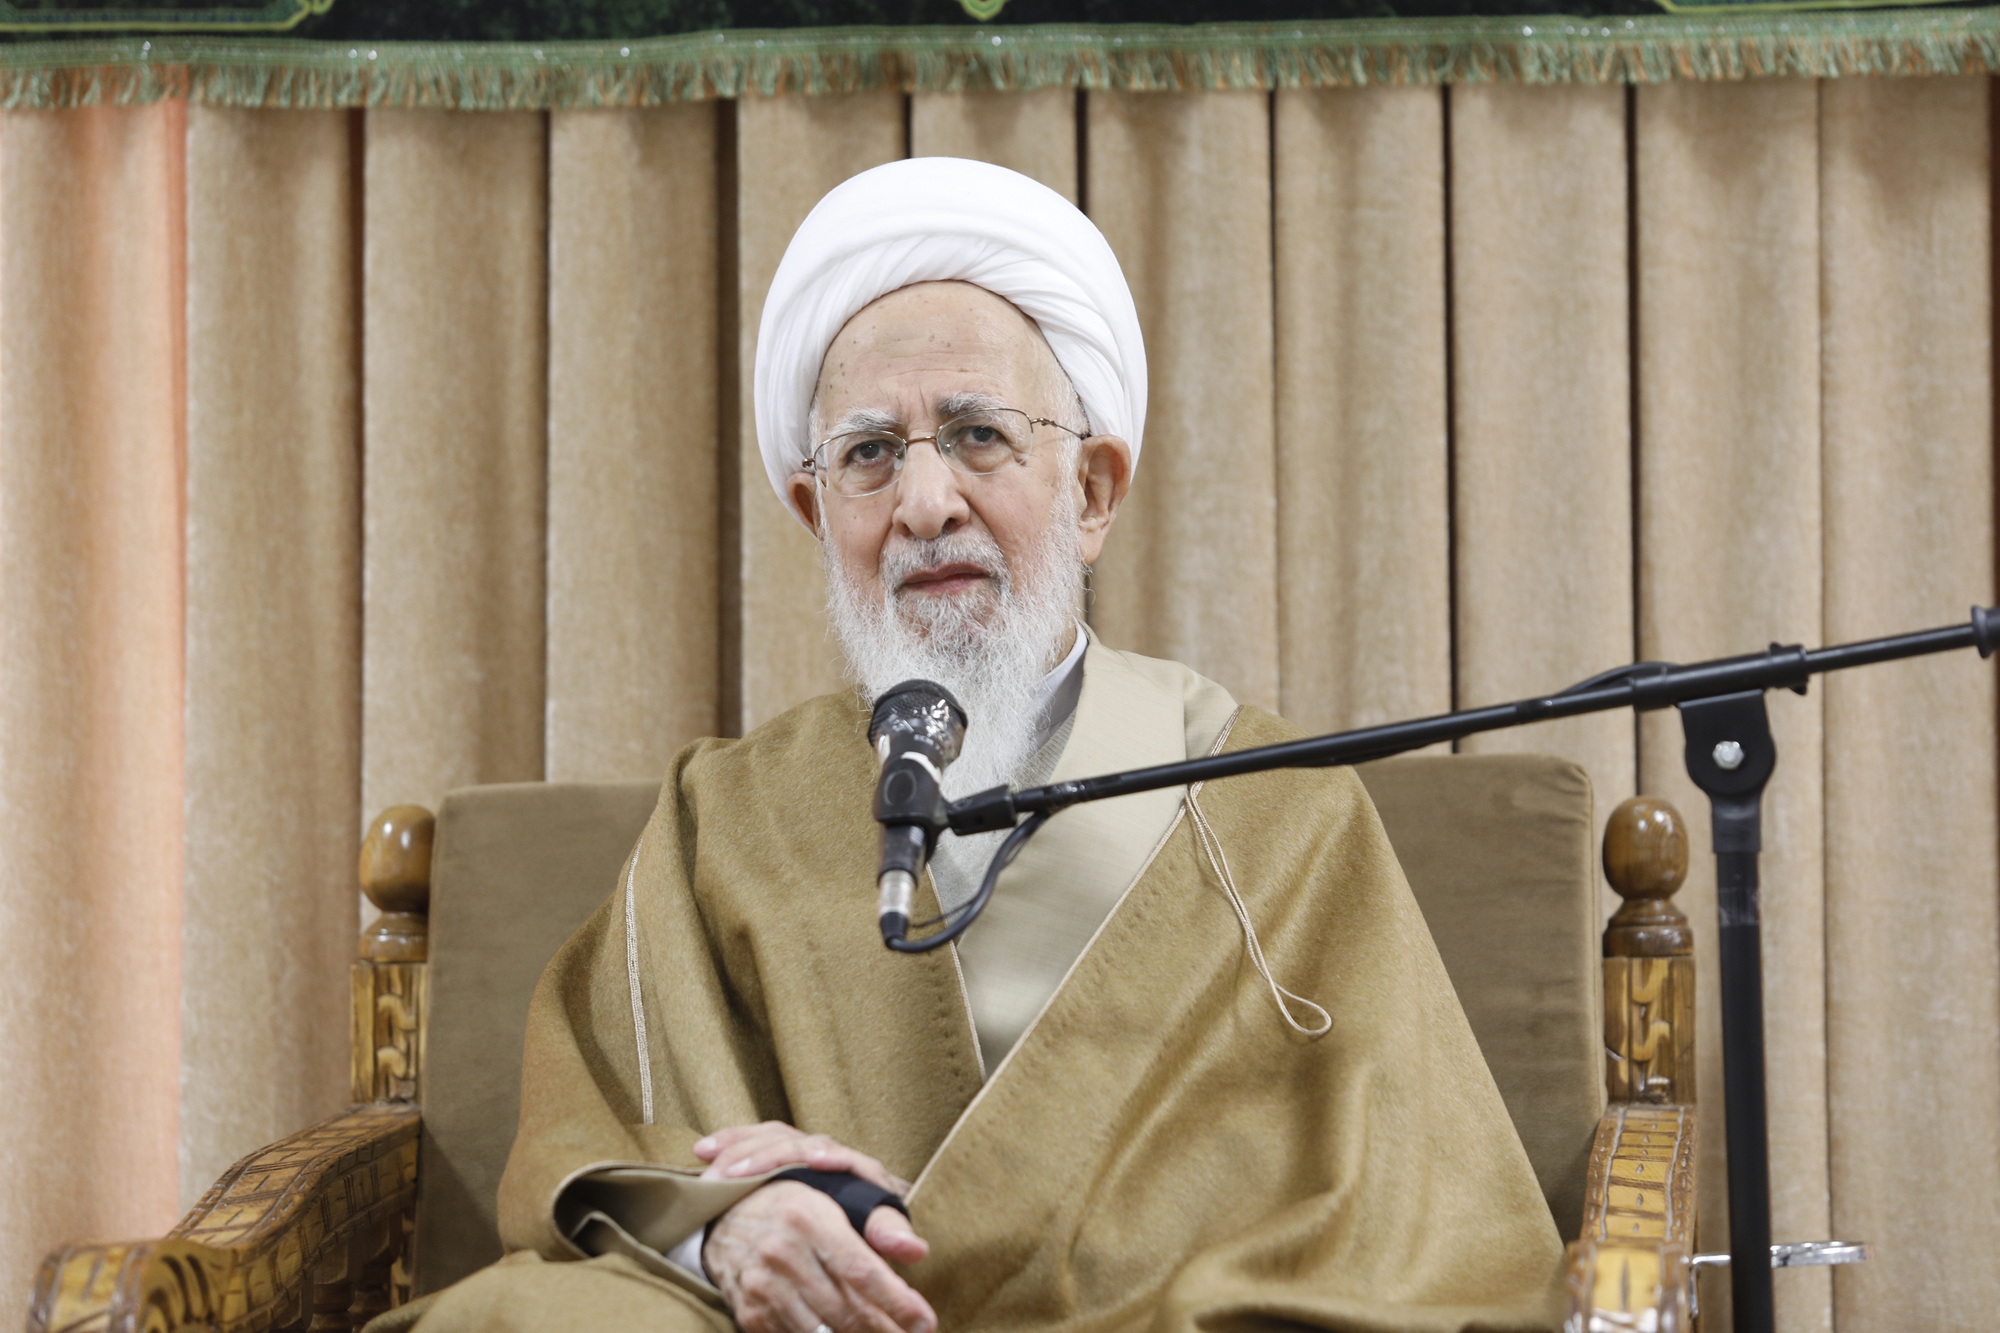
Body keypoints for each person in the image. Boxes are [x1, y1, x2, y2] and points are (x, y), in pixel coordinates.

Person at [381, 157, 1564, 1333]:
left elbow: (1412, 1219)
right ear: (816, 513)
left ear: (1090, 491)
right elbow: (610, 1127)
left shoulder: (1274, 805)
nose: (924, 502)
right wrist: (726, 1221)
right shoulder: (726, 809)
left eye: (977, 435)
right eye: (867, 453)